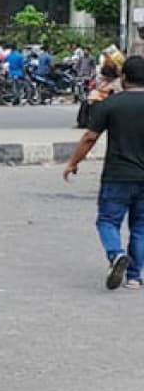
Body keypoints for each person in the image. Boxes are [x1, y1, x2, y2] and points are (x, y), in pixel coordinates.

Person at [63, 56, 144, 290]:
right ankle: (134, 277)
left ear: (124, 77)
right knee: (140, 227)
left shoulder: (111, 104)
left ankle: (115, 253)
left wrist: (73, 162)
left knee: (108, 220)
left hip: (117, 174)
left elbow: (90, 137)